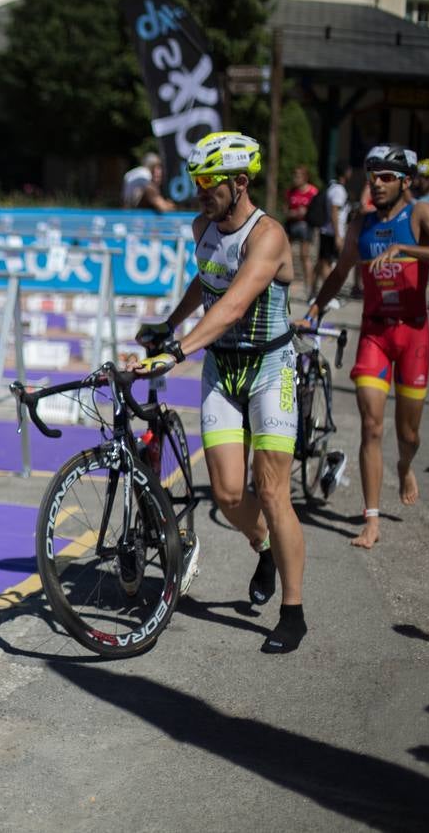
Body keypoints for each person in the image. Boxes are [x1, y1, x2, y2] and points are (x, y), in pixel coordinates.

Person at [134, 131, 308, 654]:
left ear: (240, 182)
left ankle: (293, 611)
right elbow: (207, 283)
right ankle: (265, 547)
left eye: (209, 184)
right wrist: (170, 323)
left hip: (269, 369)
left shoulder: (268, 236)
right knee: (230, 494)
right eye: (196, 183)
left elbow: (232, 305)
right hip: (223, 369)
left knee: (273, 491)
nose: (199, 193)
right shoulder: (202, 226)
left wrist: (178, 351)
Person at [303, 144, 429, 550]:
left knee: (408, 433)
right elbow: (339, 272)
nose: (377, 182)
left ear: (406, 182)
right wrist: (315, 309)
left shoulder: (420, 214)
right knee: (371, 426)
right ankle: (370, 519)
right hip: (375, 332)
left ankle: (406, 465)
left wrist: (408, 249)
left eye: (387, 176)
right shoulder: (361, 224)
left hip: (413, 333)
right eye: (373, 174)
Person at [313, 163, 353, 299]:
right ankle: (329, 294)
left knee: (322, 262)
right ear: (345, 172)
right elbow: (335, 211)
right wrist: (338, 235)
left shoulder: (332, 186)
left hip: (327, 231)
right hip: (331, 232)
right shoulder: (339, 190)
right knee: (327, 263)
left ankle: (313, 291)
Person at [285, 165, 320, 293]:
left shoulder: (312, 192)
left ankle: (309, 286)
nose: (295, 178)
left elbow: (317, 211)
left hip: (306, 225)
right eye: (294, 175)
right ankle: (284, 281)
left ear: (305, 177)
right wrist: (293, 213)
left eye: (298, 176)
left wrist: (306, 212)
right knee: (285, 253)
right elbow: (286, 210)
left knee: (304, 256)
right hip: (292, 224)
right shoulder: (291, 191)